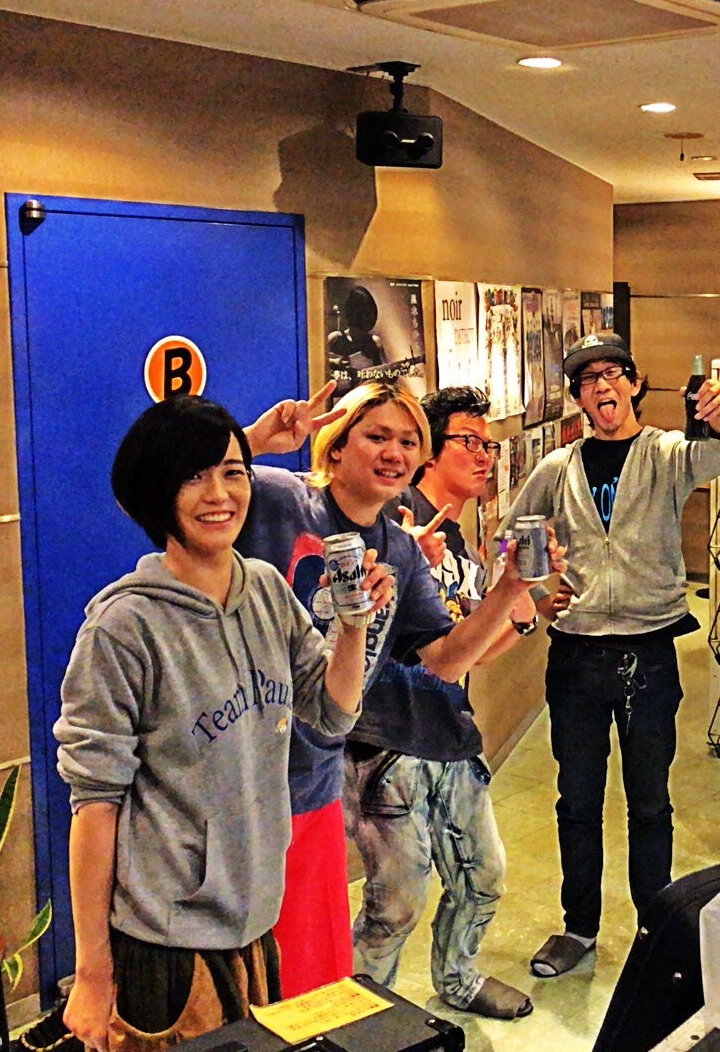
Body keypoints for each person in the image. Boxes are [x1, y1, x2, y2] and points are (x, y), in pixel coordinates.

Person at [54, 395, 389, 1051]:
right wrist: (92, 971)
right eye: (194, 477)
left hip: (257, 919)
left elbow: (330, 711)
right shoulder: (123, 627)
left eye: (234, 472)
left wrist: (353, 627)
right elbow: (95, 806)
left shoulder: (264, 588)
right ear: (158, 494)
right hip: (166, 940)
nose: (220, 494)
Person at [235, 381, 545, 1002]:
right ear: (336, 445)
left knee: (303, 964)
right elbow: (172, 482)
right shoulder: (279, 498)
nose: (394, 453)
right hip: (239, 767)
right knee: (240, 958)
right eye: (376, 436)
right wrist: (254, 441)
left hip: (312, 773)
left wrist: (511, 589)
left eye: (408, 441)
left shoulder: (399, 550)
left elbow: (447, 660)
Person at [502, 332, 720, 978]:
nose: (601, 387)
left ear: (633, 384)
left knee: (650, 801)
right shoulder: (558, 468)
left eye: (612, 374)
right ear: (578, 398)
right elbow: (513, 532)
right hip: (575, 656)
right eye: (587, 380)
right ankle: (578, 929)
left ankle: (654, 930)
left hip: (648, 653)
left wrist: (719, 423)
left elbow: (715, 457)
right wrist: (539, 591)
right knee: (576, 799)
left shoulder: (664, 454)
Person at [340, 385, 569, 1019]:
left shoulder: (457, 543)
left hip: (448, 734)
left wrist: (524, 604)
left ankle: (457, 979)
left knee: (482, 877)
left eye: (488, 445)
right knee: (396, 903)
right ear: (431, 455)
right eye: (469, 442)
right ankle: (363, 1020)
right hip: (388, 744)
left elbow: (460, 656)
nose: (485, 456)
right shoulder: (399, 523)